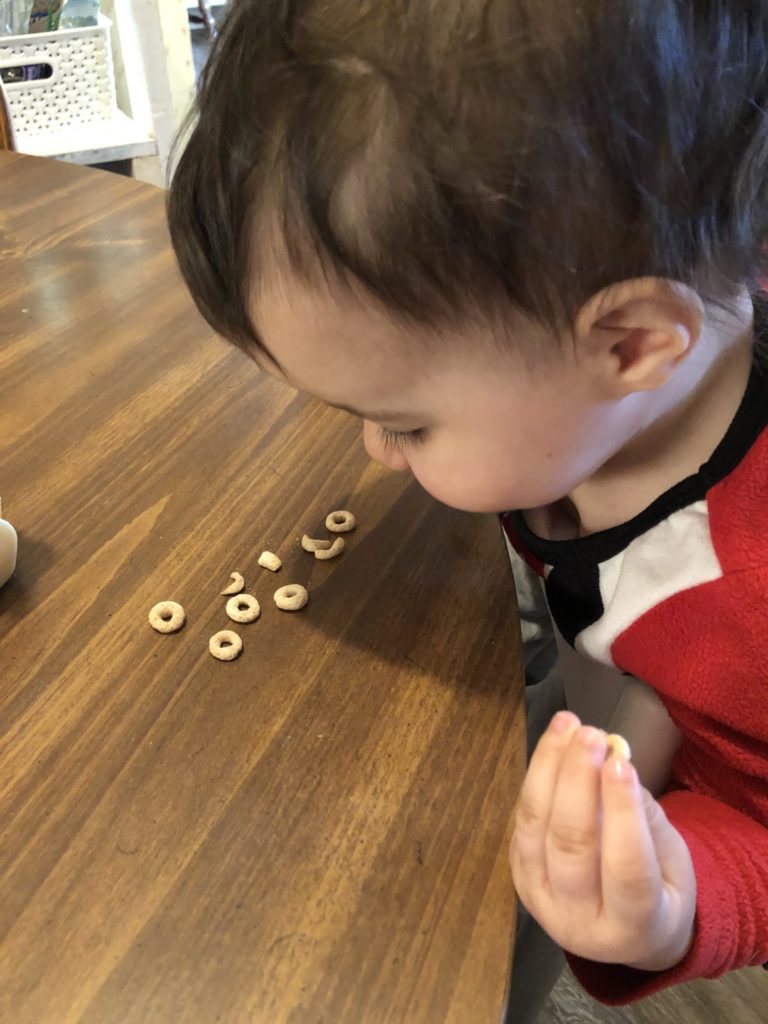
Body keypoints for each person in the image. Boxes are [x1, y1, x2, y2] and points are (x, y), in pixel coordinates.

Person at [167, 1, 768, 1017]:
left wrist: (684, 897)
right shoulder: (570, 376)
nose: (375, 452)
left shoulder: (746, 608)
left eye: (403, 423)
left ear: (628, 345)